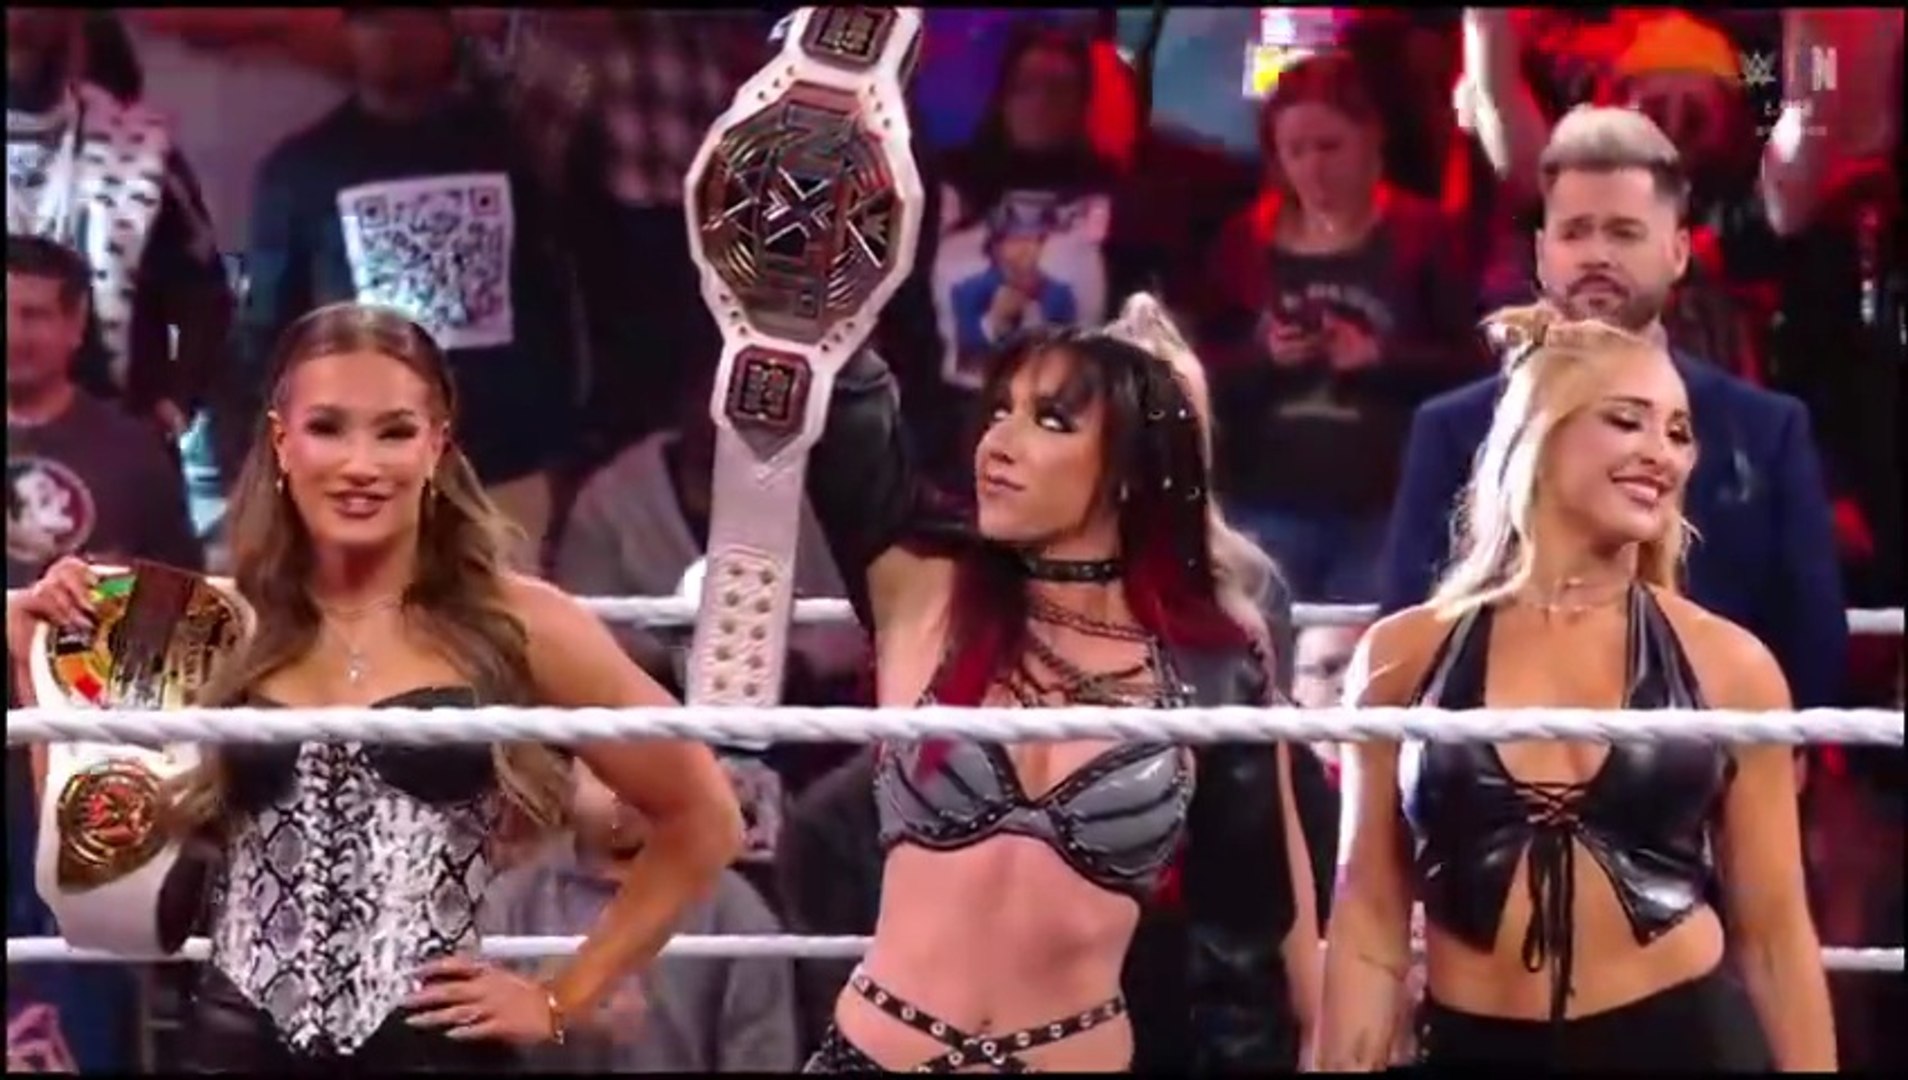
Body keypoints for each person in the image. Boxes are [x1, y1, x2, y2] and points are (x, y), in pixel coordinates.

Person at [7, 302, 744, 1071]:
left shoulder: (519, 620)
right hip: (235, 1045)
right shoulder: (208, 622)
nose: (361, 464)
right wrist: (46, 661)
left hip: (434, 1051)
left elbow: (706, 817)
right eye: (328, 428)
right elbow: (96, 885)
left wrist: (561, 999)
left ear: (437, 445)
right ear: (282, 442)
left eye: (393, 432)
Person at [794, 294, 1320, 1072]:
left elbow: (1244, 950)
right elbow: (849, 418)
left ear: (1130, 470)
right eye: (998, 413)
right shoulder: (928, 592)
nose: (998, 444)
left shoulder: (1210, 665)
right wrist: (824, 298)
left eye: (1049, 421)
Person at [1318, 302, 1835, 1070]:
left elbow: (1775, 936)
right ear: (1539, 435)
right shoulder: (1403, 655)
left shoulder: (1731, 664)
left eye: (1679, 432)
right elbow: (1368, 919)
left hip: (1678, 1043)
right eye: (1627, 421)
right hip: (1473, 1047)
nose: (1661, 453)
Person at [1377, 106, 1848, 711]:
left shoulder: (1764, 431)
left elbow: (1812, 645)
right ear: (1542, 253)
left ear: (1678, 251)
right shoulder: (1453, 431)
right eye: (1575, 232)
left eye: (1624, 233)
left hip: (1720, 752)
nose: (1596, 255)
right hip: (1493, 752)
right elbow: (1411, 637)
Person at [485, 763, 799, 1072]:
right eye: (603, 773)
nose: (626, 793)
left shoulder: (735, 911)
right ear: (569, 777)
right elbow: (481, 1049)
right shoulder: (511, 903)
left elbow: (763, 1053)